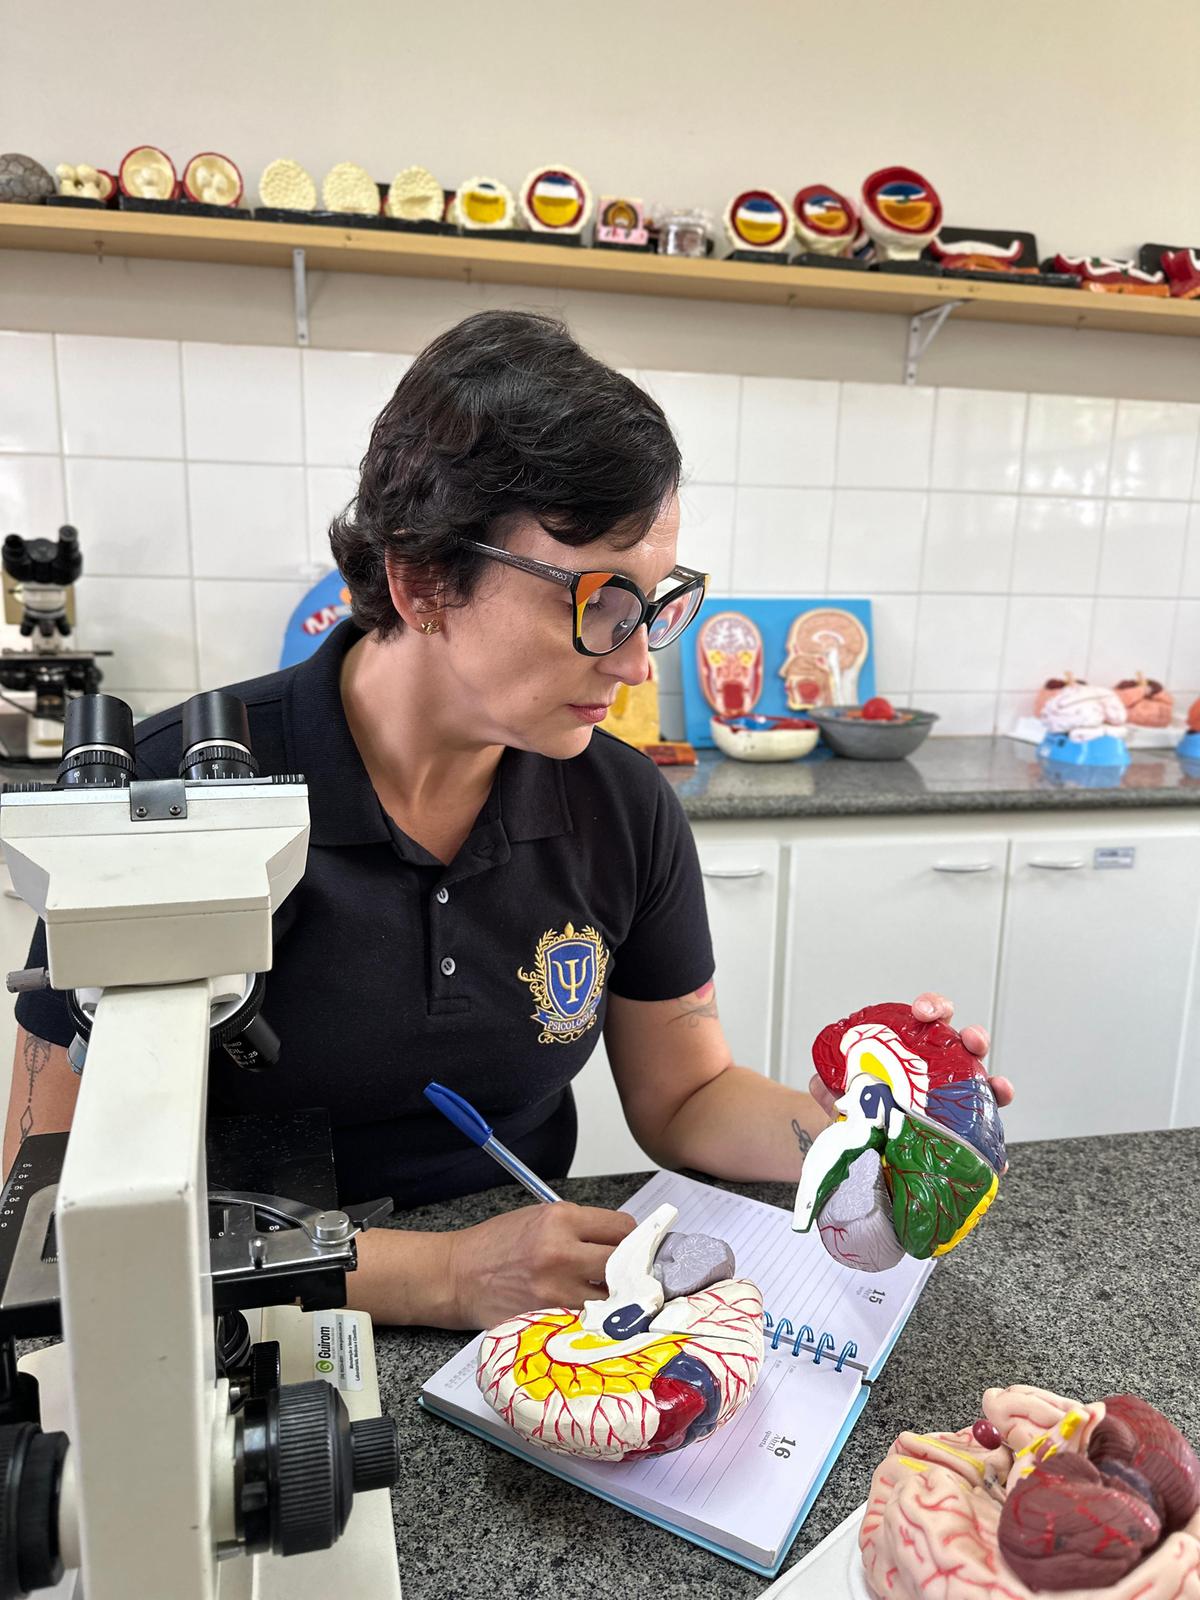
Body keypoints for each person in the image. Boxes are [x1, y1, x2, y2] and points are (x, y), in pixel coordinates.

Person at [3, 310, 1012, 1330]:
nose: (634, 661)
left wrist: (857, 1136)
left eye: (654, 604)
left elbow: (688, 1093)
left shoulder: (620, 804)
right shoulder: (170, 796)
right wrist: (438, 1275)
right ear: (424, 579)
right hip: (222, 1327)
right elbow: (47, 1207)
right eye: (599, 604)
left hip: (536, 1307)